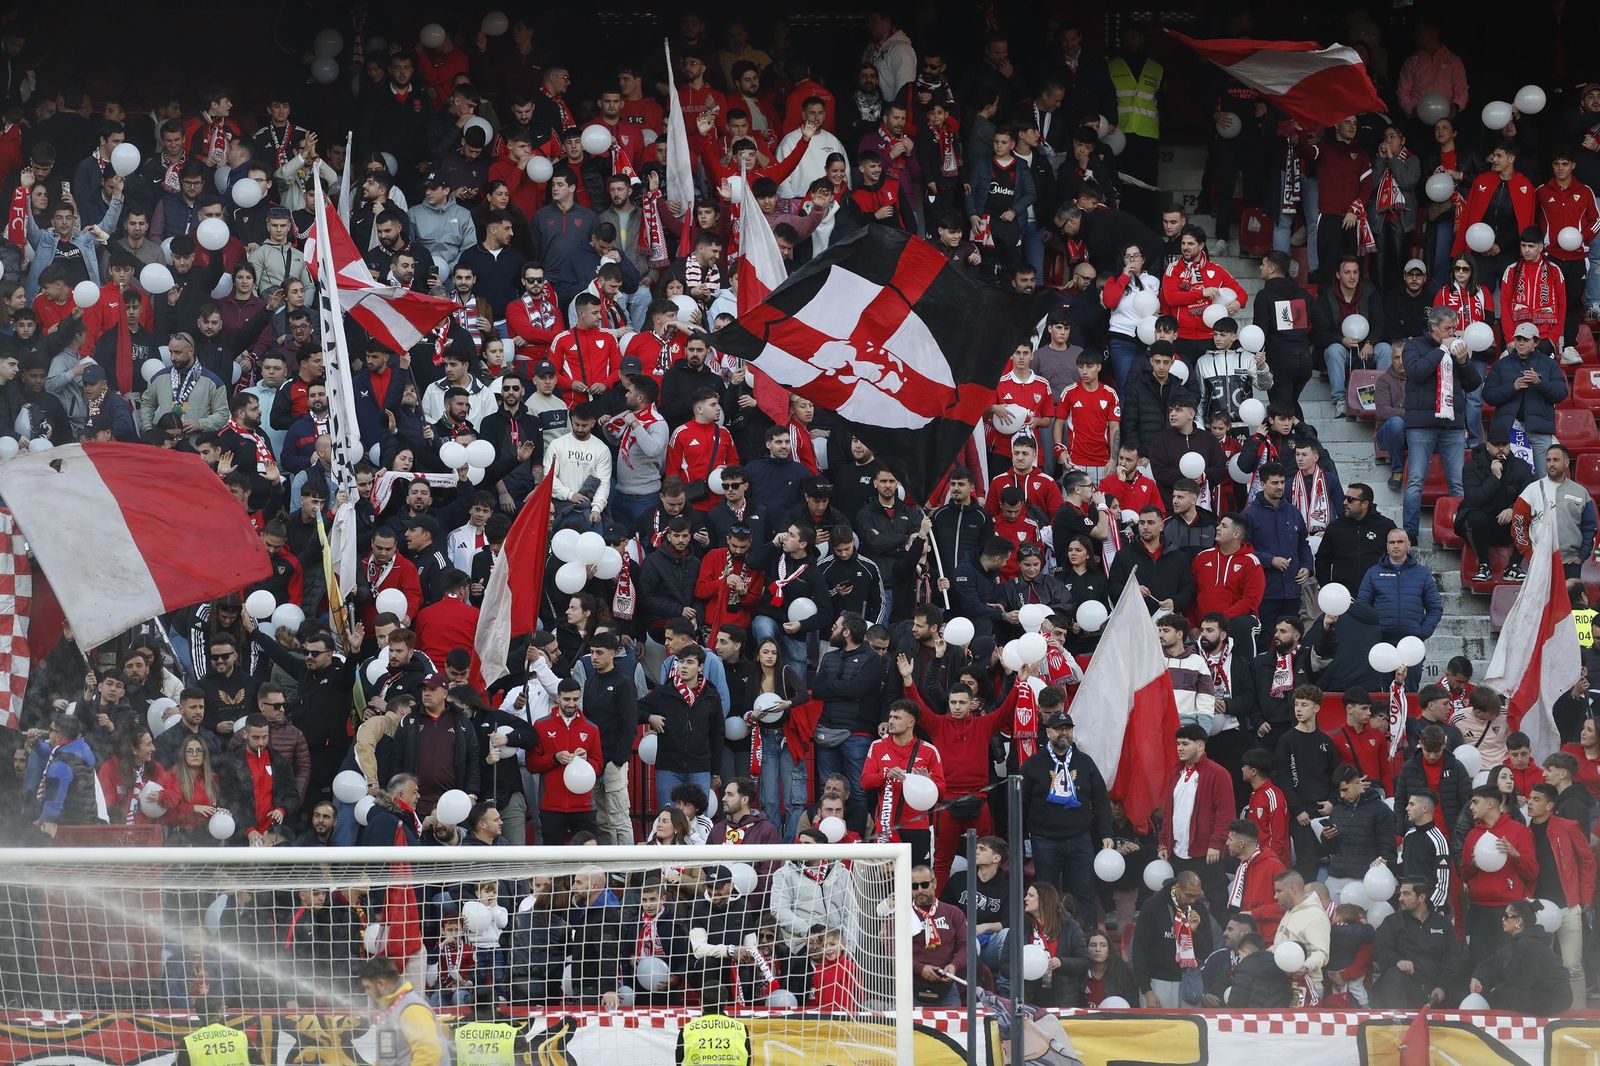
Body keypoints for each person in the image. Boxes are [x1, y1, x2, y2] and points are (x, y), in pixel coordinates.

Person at [1020, 710, 1114, 929]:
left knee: (1084, 892)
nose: (1064, 733)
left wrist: (1106, 833)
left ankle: (1087, 939)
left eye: (1068, 728)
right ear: (1048, 732)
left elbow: (1100, 799)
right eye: (1059, 728)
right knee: (1047, 894)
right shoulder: (1033, 764)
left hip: (1079, 839)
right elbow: (1020, 804)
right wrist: (1023, 838)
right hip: (1045, 840)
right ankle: (1047, 938)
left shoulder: (1084, 762)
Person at [1401, 306, 1480, 542]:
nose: (1453, 333)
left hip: (1452, 425)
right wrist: (1441, 351)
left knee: (1458, 481)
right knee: (1415, 480)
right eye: (1448, 328)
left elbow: (1473, 384)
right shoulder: (1414, 346)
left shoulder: (1457, 348)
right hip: (1421, 424)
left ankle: (1461, 529)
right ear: (1434, 327)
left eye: (1454, 329)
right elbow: (1415, 372)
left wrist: (1464, 361)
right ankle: (1409, 532)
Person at [1525, 781, 1594, 1007]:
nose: (1530, 803)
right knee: (1541, 964)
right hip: (1537, 909)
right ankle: (1548, 1012)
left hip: (1568, 904)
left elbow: (1586, 860)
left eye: (1536, 799)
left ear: (1550, 805)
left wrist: (1586, 896)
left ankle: (1578, 1015)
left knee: (1572, 964)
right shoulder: (1524, 832)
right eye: (1529, 798)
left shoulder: (1567, 826)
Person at [1157, 724, 1234, 917]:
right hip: (1177, 852)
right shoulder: (1175, 773)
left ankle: (1222, 942)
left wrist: (1217, 843)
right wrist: (1163, 842)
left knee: (1217, 899)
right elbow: (1169, 814)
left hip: (1206, 852)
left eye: (1185, 743)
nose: (1179, 748)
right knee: (1179, 900)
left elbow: (1226, 813)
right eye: (1178, 744)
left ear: (1200, 746)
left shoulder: (1218, 773)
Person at [1460, 783, 1539, 967]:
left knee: (1509, 964)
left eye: (1475, 802)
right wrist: (1472, 864)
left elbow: (1533, 871)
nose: (1471, 807)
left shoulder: (1519, 831)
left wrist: (1516, 855)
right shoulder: (1472, 834)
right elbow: (1463, 874)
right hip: (1479, 908)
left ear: (1490, 804)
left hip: (1508, 909)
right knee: (1480, 963)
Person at [1483, 323, 1568, 472]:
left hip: (1539, 429)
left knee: (1542, 478)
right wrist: (1512, 387)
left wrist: (1539, 383)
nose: (1520, 343)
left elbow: (1561, 393)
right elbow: (1488, 395)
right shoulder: (1501, 365)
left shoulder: (1549, 364)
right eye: (1518, 339)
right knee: (1507, 478)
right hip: (1507, 431)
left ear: (1536, 342)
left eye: (1525, 339)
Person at [1369, 879, 1466, 1008]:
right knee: (1393, 975)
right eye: (1400, 894)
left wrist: (1442, 986)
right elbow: (1379, 948)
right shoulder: (1393, 921)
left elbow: (1453, 957)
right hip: (1405, 985)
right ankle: (1398, 1024)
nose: (1400, 898)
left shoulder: (1442, 923)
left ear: (1421, 897)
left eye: (1406, 894)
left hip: (1435, 988)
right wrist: (1397, 961)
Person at [1457, 430, 1534, 584]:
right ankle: (1484, 566)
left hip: (1510, 524)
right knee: (1475, 516)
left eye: (1504, 445)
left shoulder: (1521, 466)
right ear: (1487, 445)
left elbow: (1531, 496)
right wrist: (1495, 477)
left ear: (1510, 446)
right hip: (1482, 525)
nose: (1500, 449)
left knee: (1530, 515)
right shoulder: (1472, 467)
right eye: (1496, 445)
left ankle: (1513, 567)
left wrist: (1513, 509)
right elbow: (1474, 500)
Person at [1470, 899, 1573, 1014]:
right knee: (1499, 992)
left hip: (1554, 998)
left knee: (1500, 995)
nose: (1502, 919)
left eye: (1506, 916)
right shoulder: (1520, 941)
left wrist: (1496, 989)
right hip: (1544, 992)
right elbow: (1496, 961)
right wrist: (1478, 976)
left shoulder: (1529, 944)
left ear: (1519, 921)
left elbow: (1521, 981)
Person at [1512, 443, 1597, 579]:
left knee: (1569, 601)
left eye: (1556, 460)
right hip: (1540, 562)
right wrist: (1530, 554)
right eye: (1548, 460)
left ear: (1567, 462)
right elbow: (1518, 525)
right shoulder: (1531, 490)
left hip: (1571, 562)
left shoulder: (1580, 492)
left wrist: (1582, 556)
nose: (1551, 464)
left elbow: (1590, 527)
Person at [1130, 869, 1213, 1008]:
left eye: (1196, 896)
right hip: (1157, 982)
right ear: (1178, 888)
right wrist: (1147, 990)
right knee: (1159, 1028)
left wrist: (1193, 932)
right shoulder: (1153, 906)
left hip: (1188, 980)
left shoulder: (1198, 909)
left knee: (1189, 1029)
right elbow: (1139, 950)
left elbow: (1205, 952)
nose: (1192, 900)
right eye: (1188, 895)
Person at [358, 956, 449, 1066]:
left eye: (368, 987)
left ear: (381, 984)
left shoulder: (412, 1009)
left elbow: (429, 1054)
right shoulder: (393, 1009)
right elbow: (389, 1058)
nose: (366, 992)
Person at [1271, 869, 1330, 1005]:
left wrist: (1304, 967)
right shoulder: (1290, 912)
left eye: (1279, 891)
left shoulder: (1315, 915)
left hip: (1305, 988)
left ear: (1292, 889)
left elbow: (1321, 953)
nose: (1275, 896)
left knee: (1300, 1027)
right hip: (1284, 984)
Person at [675, 1011, 751, 1066]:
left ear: (702, 1002)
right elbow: (748, 1059)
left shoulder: (687, 1029)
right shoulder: (740, 1028)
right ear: (726, 1002)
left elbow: (679, 1060)